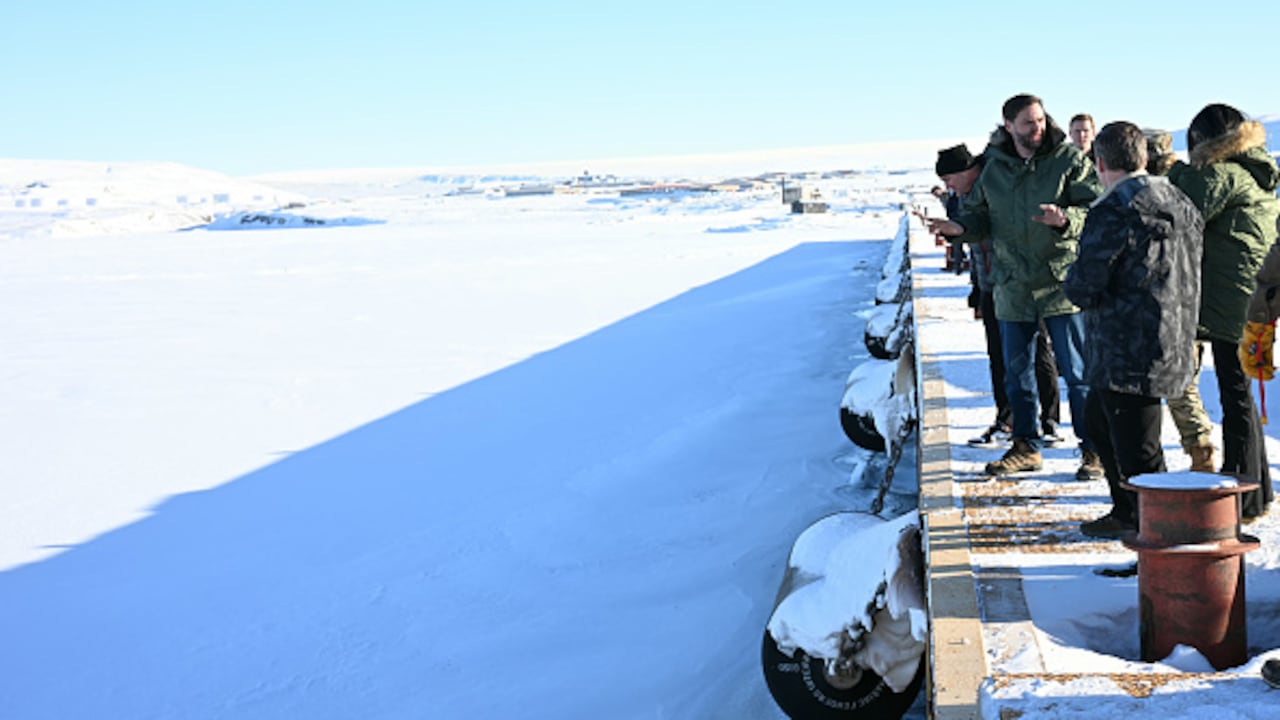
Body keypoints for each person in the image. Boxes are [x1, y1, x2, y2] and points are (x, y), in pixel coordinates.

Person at [927, 94, 1102, 480]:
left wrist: (1066, 219)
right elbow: (978, 218)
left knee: (1077, 373)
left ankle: (1093, 450)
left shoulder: (1067, 160)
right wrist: (958, 230)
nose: (1036, 128)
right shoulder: (993, 169)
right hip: (1012, 284)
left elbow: (1098, 210)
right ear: (1009, 126)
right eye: (1027, 123)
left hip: (1060, 282)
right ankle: (1025, 445)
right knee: (1016, 372)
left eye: (1040, 120)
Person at [1063, 122, 1204, 538]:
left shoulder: (1113, 209)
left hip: (1126, 347)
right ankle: (1128, 513)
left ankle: (1158, 540)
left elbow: (1086, 284)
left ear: (1100, 162)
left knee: (1141, 454)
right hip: (1172, 335)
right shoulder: (1179, 200)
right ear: (1143, 157)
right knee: (1101, 421)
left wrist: (1071, 280)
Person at [1169, 103, 1279, 520]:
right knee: (1242, 399)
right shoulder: (1253, 170)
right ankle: (1257, 492)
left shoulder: (1221, 174)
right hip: (1253, 300)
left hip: (1232, 305)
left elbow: (1183, 211)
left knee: (1236, 401)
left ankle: (1243, 496)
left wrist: (1174, 171)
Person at [933, 143, 1062, 447]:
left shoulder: (997, 187)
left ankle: (1049, 420)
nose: (947, 187)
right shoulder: (964, 199)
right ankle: (1007, 419)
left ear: (967, 171)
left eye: (949, 178)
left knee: (1038, 353)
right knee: (1000, 356)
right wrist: (978, 291)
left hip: (1023, 283)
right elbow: (976, 249)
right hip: (993, 286)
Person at [1146, 128, 1217, 472]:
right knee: (1182, 381)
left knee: (1180, 383)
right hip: (1193, 299)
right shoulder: (1190, 184)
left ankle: (1201, 452)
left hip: (1175, 304)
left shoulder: (1163, 194)